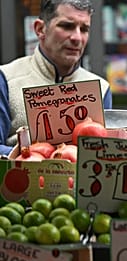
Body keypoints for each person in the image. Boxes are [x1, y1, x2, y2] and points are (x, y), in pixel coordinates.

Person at [0, 0, 112, 156]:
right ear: (40, 29)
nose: (77, 38)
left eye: (84, 29)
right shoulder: (6, 78)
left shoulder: (101, 88)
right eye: (67, 26)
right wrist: (32, 157)